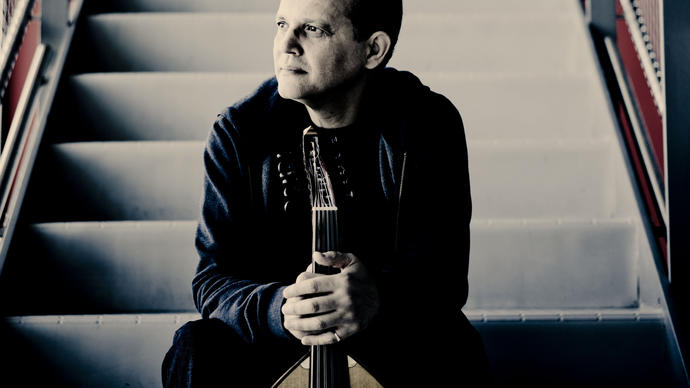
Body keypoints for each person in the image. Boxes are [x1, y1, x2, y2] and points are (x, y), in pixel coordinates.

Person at [162, 0, 490, 386]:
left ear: (373, 50)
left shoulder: (426, 124)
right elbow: (212, 281)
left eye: (313, 30)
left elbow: (444, 281)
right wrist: (280, 309)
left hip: (388, 339)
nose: (287, 44)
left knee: (456, 348)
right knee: (196, 346)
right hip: (274, 343)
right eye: (282, 24)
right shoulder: (239, 131)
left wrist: (376, 299)